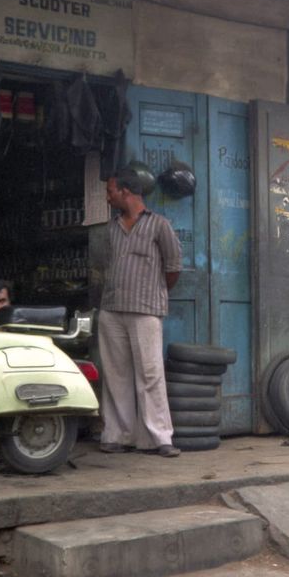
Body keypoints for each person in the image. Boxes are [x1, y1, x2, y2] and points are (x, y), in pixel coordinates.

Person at [97, 164, 183, 457]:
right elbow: (107, 265)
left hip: (145, 310)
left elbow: (172, 269)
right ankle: (118, 435)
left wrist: (152, 293)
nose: (108, 197)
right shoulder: (111, 227)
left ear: (126, 191)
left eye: (110, 191)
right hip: (111, 309)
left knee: (150, 373)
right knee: (116, 374)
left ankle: (159, 438)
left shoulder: (159, 225)